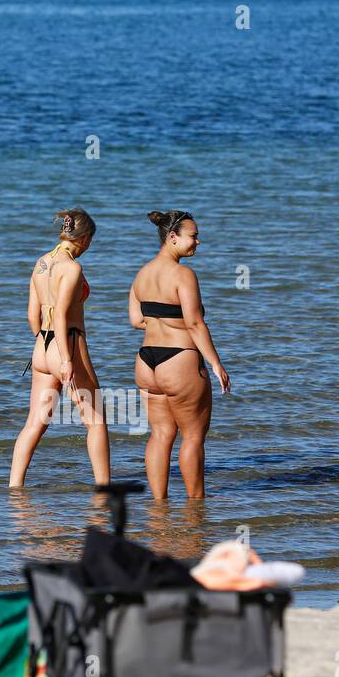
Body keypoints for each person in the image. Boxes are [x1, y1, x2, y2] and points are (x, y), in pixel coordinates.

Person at [128, 210, 229, 499]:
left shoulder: (142, 273)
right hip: (179, 360)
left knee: (160, 435)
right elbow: (195, 323)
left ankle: (159, 506)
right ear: (173, 237)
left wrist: (162, 322)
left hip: (147, 361)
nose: (198, 242)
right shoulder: (183, 275)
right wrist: (215, 363)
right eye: (193, 236)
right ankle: (196, 506)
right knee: (193, 436)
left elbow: (136, 320)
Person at [9, 208, 111, 488]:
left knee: (34, 423)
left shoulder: (41, 263)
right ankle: (104, 490)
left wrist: (46, 345)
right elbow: (64, 314)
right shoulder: (72, 268)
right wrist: (65, 360)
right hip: (68, 344)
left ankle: (14, 488)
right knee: (96, 420)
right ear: (85, 237)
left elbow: (32, 315)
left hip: (41, 347)